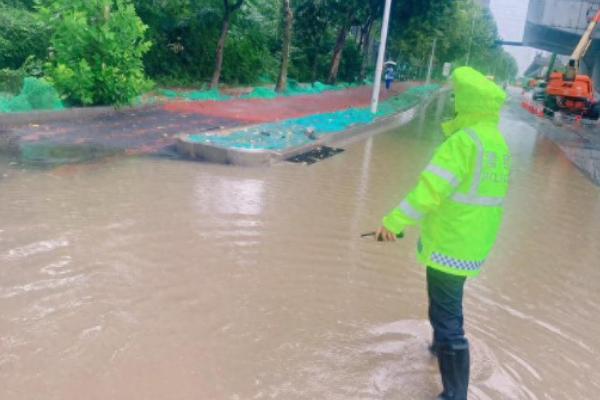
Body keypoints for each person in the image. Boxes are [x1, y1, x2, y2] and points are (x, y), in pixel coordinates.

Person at [373, 66, 510, 400]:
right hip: (472, 242)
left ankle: (455, 393)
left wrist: (393, 222)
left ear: (466, 103)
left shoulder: (464, 142)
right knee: (446, 305)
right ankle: (437, 349)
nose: (453, 104)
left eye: (456, 99)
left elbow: (429, 190)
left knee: (447, 316)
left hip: (451, 240)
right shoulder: (496, 142)